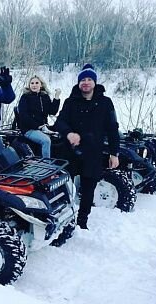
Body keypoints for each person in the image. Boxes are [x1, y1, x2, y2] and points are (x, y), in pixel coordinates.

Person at [54, 64, 120, 230]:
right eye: (82, 79)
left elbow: (113, 128)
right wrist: (69, 133)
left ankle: (82, 221)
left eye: (89, 79)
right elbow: (59, 122)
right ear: (78, 83)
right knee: (64, 188)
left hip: (93, 152)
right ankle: (63, 220)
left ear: (95, 82)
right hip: (70, 152)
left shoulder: (105, 103)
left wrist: (114, 153)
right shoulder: (70, 102)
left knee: (88, 188)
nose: (86, 82)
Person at [17, 75, 61, 158]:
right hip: (29, 129)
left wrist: (57, 97)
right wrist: (37, 126)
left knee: (60, 137)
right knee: (46, 141)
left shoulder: (44, 96)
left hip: (43, 128)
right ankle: (47, 164)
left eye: (37, 83)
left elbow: (52, 111)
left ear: (41, 85)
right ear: (29, 85)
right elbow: (23, 116)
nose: (34, 85)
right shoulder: (25, 97)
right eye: (32, 83)